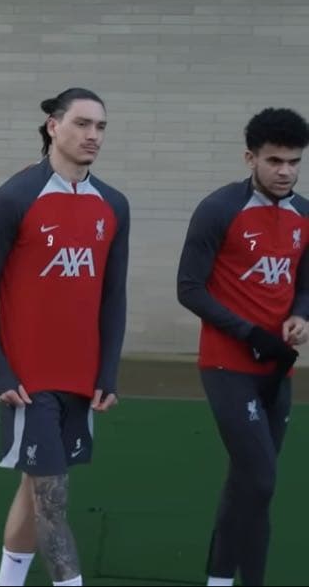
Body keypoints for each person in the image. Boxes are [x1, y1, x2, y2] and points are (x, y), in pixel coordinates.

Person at [0, 88, 130, 586]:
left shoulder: (114, 205)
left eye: (100, 126)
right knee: (52, 502)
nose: (93, 135)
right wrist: (0, 373)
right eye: (82, 124)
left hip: (80, 378)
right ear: (53, 127)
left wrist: (107, 372)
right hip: (29, 382)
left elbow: (113, 296)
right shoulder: (14, 198)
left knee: (35, 488)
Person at [176, 107, 309, 587]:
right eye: (274, 161)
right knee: (261, 478)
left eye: (294, 161)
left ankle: (221, 580)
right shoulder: (219, 209)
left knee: (251, 482)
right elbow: (189, 288)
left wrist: (301, 315)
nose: (285, 171)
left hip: (278, 368)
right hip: (226, 365)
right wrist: (250, 333)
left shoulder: (305, 214)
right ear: (250, 157)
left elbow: (305, 283)